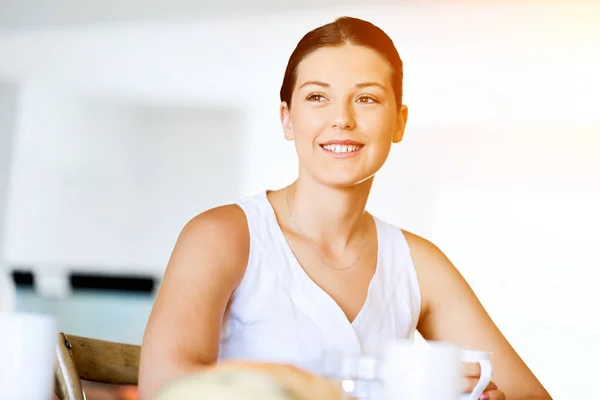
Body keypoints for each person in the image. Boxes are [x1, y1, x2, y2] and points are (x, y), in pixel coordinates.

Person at [139, 16, 551, 400]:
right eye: (318, 97)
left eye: (367, 99)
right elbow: (162, 383)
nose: (342, 119)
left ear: (399, 122)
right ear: (287, 119)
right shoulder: (222, 236)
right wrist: (300, 381)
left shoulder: (418, 263)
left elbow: (530, 395)